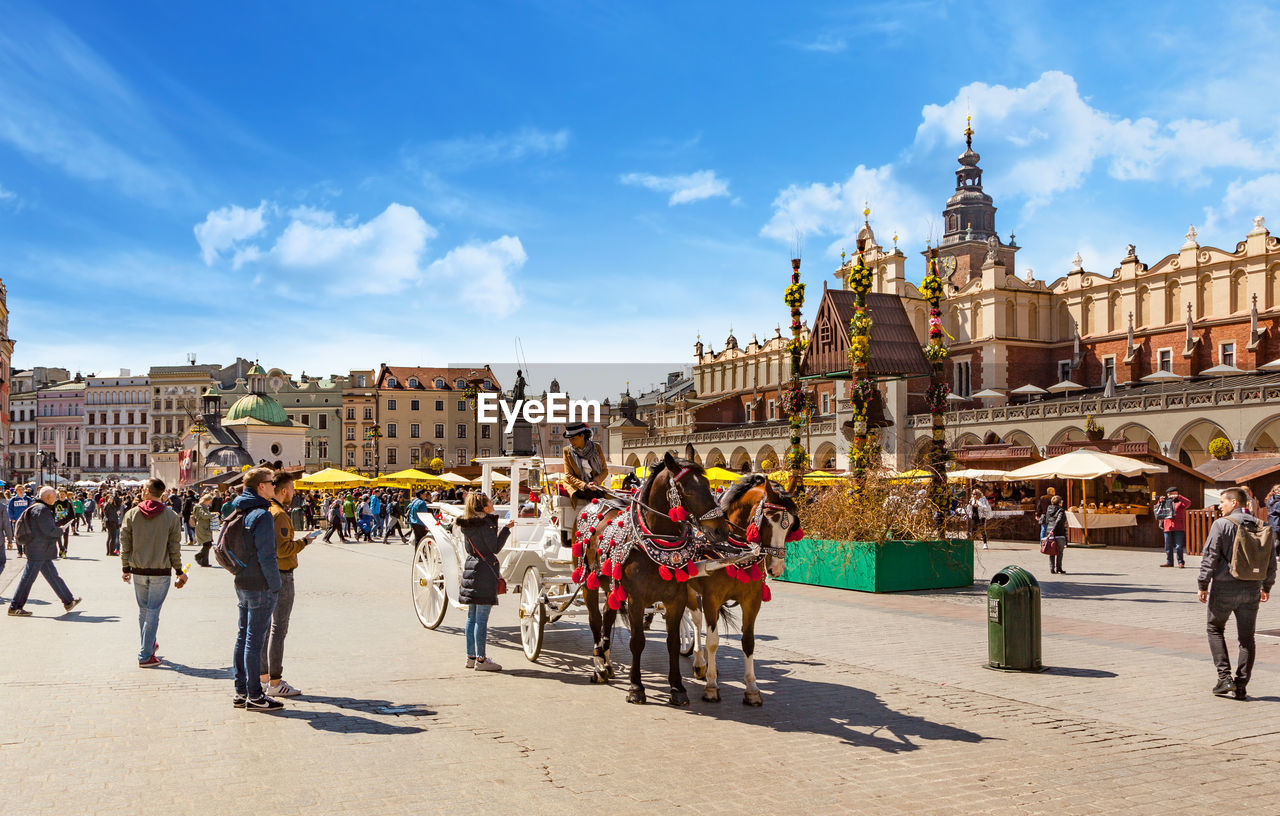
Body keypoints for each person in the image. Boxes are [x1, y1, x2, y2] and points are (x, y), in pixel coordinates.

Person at [1198, 487, 1276, 700]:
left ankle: (1224, 678)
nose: (1219, 506)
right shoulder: (1263, 526)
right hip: (1252, 588)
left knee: (1214, 628)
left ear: (1234, 503)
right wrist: (1267, 587)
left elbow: (1210, 556)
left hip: (1224, 587)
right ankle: (1241, 685)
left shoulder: (1221, 524)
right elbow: (1270, 561)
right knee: (1247, 638)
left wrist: (1203, 583)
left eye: (1222, 502)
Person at [229, 466, 285, 712]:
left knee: (243, 637)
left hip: (242, 579)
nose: (274, 485)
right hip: (260, 583)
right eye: (271, 482)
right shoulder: (262, 514)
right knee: (254, 640)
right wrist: (276, 584)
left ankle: (241, 691)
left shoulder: (240, 509)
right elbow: (267, 556)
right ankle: (255, 695)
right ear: (261, 486)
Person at [120, 478, 186, 668]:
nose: (141, 490)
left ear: (148, 491)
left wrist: (125, 567)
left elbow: (125, 543)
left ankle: (149, 645)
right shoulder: (171, 516)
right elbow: (174, 547)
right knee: (153, 612)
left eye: (143, 488)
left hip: (139, 570)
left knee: (144, 611)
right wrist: (179, 570)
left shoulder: (132, 514)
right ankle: (145, 655)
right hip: (160, 570)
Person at [260, 470, 313, 698]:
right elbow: (283, 550)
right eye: (291, 489)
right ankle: (275, 681)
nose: (294, 492)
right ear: (283, 491)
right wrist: (304, 541)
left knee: (263, 629)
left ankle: (263, 677)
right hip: (282, 574)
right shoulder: (279, 514)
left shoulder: (265, 509)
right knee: (278, 629)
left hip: (266, 573)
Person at [457, 491, 514, 671]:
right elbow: (495, 548)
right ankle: (482, 660)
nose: (493, 502)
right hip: (484, 572)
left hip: (471, 567)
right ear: (484, 506)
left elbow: (469, 548)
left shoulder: (467, 525)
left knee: (471, 618)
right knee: (482, 619)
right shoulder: (486, 524)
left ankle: (470, 657)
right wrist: (506, 530)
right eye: (490, 501)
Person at [7, 486, 81, 617]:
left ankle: (68, 601)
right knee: (28, 578)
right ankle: (15, 606)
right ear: (48, 497)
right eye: (54, 496)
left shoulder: (36, 507)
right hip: (38, 549)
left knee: (53, 576)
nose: (56, 498)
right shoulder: (42, 510)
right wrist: (61, 530)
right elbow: (49, 530)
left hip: (40, 548)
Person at [1155, 486, 1192, 568]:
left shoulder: (1180, 503)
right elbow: (1158, 510)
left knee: (1179, 546)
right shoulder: (1165, 502)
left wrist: (1179, 497)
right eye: (1168, 494)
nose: (1169, 495)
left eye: (1171, 494)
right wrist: (1159, 501)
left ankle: (1180, 562)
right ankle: (1169, 562)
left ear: (1176, 493)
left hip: (1179, 527)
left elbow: (1188, 503)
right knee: (1168, 545)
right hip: (1167, 526)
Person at [1043, 495, 1068, 574]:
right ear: (1060, 502)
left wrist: (1050, 531)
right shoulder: (1061, 510)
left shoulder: (1048, 509)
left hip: (1049, 532)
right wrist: (1054, 530)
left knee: (1051, 550)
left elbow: (1047, 520)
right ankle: (1059, 568)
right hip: (1059, 532)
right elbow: (1059, 520)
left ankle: (1051, 568)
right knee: (1060, 551)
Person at [192, 493, 216, 567]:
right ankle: (199, 556)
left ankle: (204, 562)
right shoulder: (199, 507)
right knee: (207, 544)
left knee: (208, 544)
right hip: (202, 527)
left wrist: (212, 513)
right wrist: (214, 514)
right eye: (210, 501)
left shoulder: (204, 506)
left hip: (205, 527)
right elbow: (204, 516)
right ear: (206, 500)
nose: (210, 502)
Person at [7, 486, 30, 557]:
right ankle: (19, 552)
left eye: (22, 489)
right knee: (18, 536)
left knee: (27, 535)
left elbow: (31, 508)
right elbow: (9, 509)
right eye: (19, 490)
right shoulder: (13, 500)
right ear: (16, 491)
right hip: (16, 520)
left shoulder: (28, 499)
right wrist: (12, 518)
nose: (21, 491)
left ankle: (26, 551)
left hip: (26, 520)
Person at [53, 490, 73, 556]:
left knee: (65, 536)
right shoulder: (55, 503)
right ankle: (61, 548)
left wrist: (71, 522)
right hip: (57, 522)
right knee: (58, 536)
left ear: (65, 495)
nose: (61, 495)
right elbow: (52, 512)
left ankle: (65, 551)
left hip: (66, 522)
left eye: (63, 494)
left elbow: (72, 514)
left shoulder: (68, 503)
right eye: (60, 494)